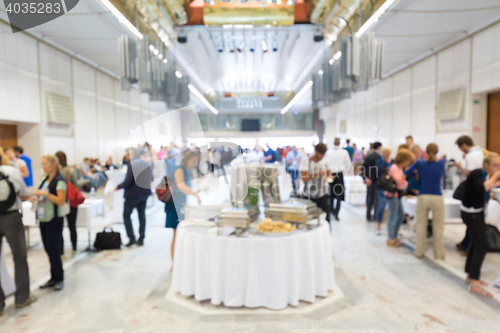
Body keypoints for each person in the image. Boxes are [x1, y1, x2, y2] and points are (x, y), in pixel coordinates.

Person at [0, 154, 37, 315]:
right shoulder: (12, 171)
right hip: (11, 217)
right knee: (20, 258)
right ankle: (22, 297)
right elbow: (24, 194)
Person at [460, 152, 500, 297]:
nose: (498, 168)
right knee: (482, 246)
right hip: (471, 214)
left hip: (477, 212)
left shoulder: (484, 174)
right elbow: (482, 188)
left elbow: (487, 188)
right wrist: (495, 177)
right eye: (496, 165)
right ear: (486, 165)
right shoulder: (477, 173)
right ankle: (475, 282)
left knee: (475, 243)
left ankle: (471, 275)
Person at [405, 144, 446, 259]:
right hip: (437, 196)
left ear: (426, 151)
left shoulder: (420, 163)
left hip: (423, 196)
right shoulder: (442, 163)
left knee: (421, 225)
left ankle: (419, 251)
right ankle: (439, 253)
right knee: (438, 227)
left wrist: (416, 173)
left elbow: (407, 173)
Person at [35, 155, 67, 291]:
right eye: (41, 164)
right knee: (48, 249)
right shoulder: (44, 178)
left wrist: (47, 195)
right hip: (43, 218)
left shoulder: (60, 180)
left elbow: (61, 200)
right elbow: (40, 194)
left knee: (53, 249)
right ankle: (53, 277)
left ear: (54, 164)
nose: (43, 166)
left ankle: (59, 278)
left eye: (46, 163)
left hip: (54, 218)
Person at [166, 151, 202, 265]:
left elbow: (185, 187)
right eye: (193, 162)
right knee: (176, 234)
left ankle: (179, 262)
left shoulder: (186, 170)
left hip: (181, 204)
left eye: (196, 162)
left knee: (181, 234)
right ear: (187, 160)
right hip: (175, 205)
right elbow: (181, 186)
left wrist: (194, 192)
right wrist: (195, 194)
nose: (195, 164)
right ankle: (174, 263)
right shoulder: (179, 169)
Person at [115, 148, 154, 247]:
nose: (126, 157)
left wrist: (118, 187)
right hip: (144, 193)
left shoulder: (132, 164)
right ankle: (141, 238)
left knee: (126, 215)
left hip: (133, 194)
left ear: (131, 154)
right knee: (142, 216)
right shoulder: (145, 163)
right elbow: (152, 178)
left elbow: (128, 181)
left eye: (127, 154)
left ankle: (131, 238)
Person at [454, 135, 484, 254]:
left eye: (461, 148)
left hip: (472, 192)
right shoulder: (481, 152)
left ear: (464, 145)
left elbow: (469, 175)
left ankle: (468, 245)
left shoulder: (470, 156)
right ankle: (466, 243)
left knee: (470, 219)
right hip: (480, 190)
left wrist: (461, 167)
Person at [386, 149, 415, 247]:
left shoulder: (399, 168)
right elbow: (398, 180)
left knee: (401, 214)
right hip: (392, 195)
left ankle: (394, 235)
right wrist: (403, 180)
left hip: (398, 195)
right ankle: (391, 238)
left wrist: (406, 183)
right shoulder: (394, 167)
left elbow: (403, 182)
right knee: (392, 216)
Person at [300, 143, 332, 224]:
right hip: (309, 195)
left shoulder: (325, 161)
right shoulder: (306, 161)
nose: (322, 156)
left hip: (323, 194)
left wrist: (327, 178)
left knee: (326, 220)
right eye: (320, 153)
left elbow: (330, 175)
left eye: (324, 154)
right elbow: (303, 178)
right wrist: (317, 173)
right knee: (309, 220)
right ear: (316, 151)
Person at [55, 151, 79, 256]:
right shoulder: (70, 171)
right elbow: (76, 185)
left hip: (59, 201)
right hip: (70, 201)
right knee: (72, 226)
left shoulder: (55, 172)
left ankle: (61, 252)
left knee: (59, 228)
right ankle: (74, 248)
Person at [326, 138, 351, 221]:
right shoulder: (344, 152)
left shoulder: (329, 152)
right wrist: (346, 173)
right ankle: (336, 213)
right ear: (339, 143)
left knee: (331, 195)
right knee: (339, 195)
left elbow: (325, 164)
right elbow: (349, 165)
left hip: (331, 174)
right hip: (339, 175)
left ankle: (332, 211)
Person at [362, 142, 382, 221]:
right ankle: (375, 216)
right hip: (376, 180)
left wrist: (365, 178)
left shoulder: (368, 156)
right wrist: (372, 179)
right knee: (376, 199)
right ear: (379, 147)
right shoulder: (379, 157)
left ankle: (368, 214)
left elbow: (363, 168)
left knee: (369, 198)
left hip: (368, 180)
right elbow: (377, 170)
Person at [374, 146, 392, 234]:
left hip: (389, 186)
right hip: (381, 186)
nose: (388, 154)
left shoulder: (391, 162)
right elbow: (380, 169)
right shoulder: (379, 161)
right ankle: (378, 226)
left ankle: (393, 227)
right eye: (386, 152)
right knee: (381, 206)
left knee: (393, 207)